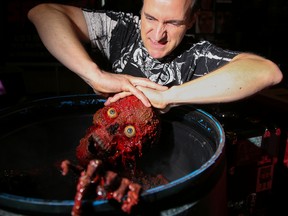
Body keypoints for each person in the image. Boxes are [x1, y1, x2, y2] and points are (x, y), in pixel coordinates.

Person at [27, 0, 282, 113]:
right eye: (149, 18)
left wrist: (167, 97)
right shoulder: (119, 29)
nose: (157, 34)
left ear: (191, 21)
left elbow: (267, 71)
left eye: (173, 22)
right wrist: (95, 75)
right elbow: (43, 13)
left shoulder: (198, 54)